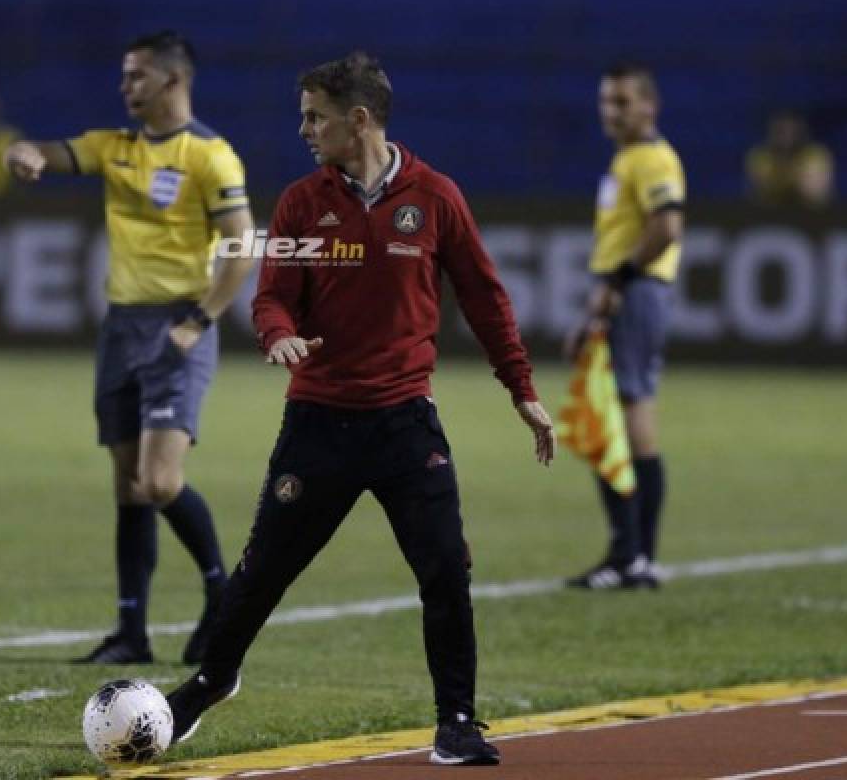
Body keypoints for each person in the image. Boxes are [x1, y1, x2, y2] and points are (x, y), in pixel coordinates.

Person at [164, 51, 556, 767]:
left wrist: (522, 390)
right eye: (303, 116)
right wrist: (279, 335)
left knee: (445, 568)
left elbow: (485, 297)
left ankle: (457, 721)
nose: (305, 129)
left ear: (360, 120)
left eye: (316, 116)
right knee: (261, 573)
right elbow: (272, 294)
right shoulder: (300, 203)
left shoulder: (435, 197)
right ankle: (212, 680)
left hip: (406, 423)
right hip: (318, 422)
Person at [4, 31, 255, 665]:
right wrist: (22, 153)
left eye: (136, 76)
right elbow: (48, 151)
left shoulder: (210, 156)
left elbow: (242, 245)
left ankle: (224, 596)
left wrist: (200, 319)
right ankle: (131, 633)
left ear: (173, 81)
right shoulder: (113, 148)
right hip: (122, 328)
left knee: (161, 481)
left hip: (179, 327)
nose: (125, 88)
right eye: (124, 76)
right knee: (128, 486)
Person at [564, 63, 685, 591]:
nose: (611, 113)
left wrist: (617, 283)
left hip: (636, 293)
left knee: (627, 413)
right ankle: (631, 554)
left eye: (622, 103)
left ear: (649, 107)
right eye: (606, 103)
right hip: (624, 293)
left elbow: (667, 226)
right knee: (614, 416)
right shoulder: (627, 160)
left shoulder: (652, 159)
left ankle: (633, 556)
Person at [745, 110, 833, 208]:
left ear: (800, 132)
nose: (786, 137)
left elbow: (814, 194)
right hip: (769, 213)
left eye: (791, 131)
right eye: (781, 131)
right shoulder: (761, 155)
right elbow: (759, 194)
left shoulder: (814, 154)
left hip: (809, 214)